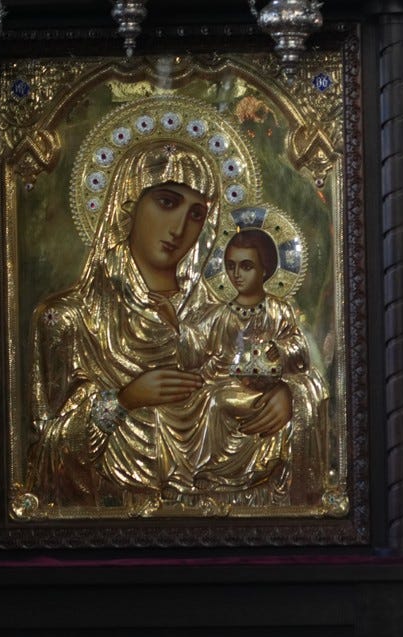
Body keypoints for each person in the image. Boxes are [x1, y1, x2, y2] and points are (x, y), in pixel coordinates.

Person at [28, 137, 221, 508]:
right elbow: (43, 452)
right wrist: (124, 400)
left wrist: (287, 398)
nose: (180, 227)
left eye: (197, 214)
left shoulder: (215, 319)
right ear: (127, 202)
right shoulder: (68, 319)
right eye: (167, 202)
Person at [184, 227, 327, 503]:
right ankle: (214, 475)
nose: (236, 274)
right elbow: (202, 353)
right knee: (214, 401)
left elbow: (298, 348)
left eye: (246, 266)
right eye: (231, 266)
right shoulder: (221, 315)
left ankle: (263, 469)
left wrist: (278, 352)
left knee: (237, 404)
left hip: (267, 389)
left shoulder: (278, 310)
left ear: (265, 269)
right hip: (228, 388)